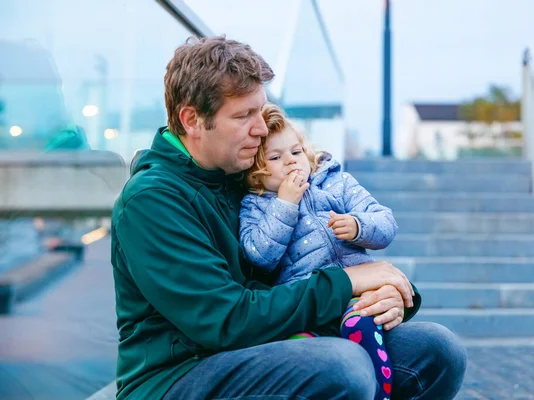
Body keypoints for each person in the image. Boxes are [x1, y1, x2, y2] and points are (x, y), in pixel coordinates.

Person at [110, 35, 467, 400]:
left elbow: (305, 264)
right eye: (243, 115)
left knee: (437, 350)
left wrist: (385, 296)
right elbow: (225, 321)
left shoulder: (244, 173)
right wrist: (346, 283)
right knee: (342, 366)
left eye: (260, 111)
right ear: (193, 120)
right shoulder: (152, 201)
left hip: (263, 342)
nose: (262, 129)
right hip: (179, 374)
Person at [240, 103, 400, 399]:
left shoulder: (335, 182)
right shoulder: (255, 204)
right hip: (307, 301)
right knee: (309, 353)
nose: (291, 162)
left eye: (296, 152)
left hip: (357, 297)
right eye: (276, 157)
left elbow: (387, 223)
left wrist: (358, 225)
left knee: (362, 324)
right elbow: (259, 255)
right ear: (256, 172)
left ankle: (381, 394)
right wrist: (285, 204)